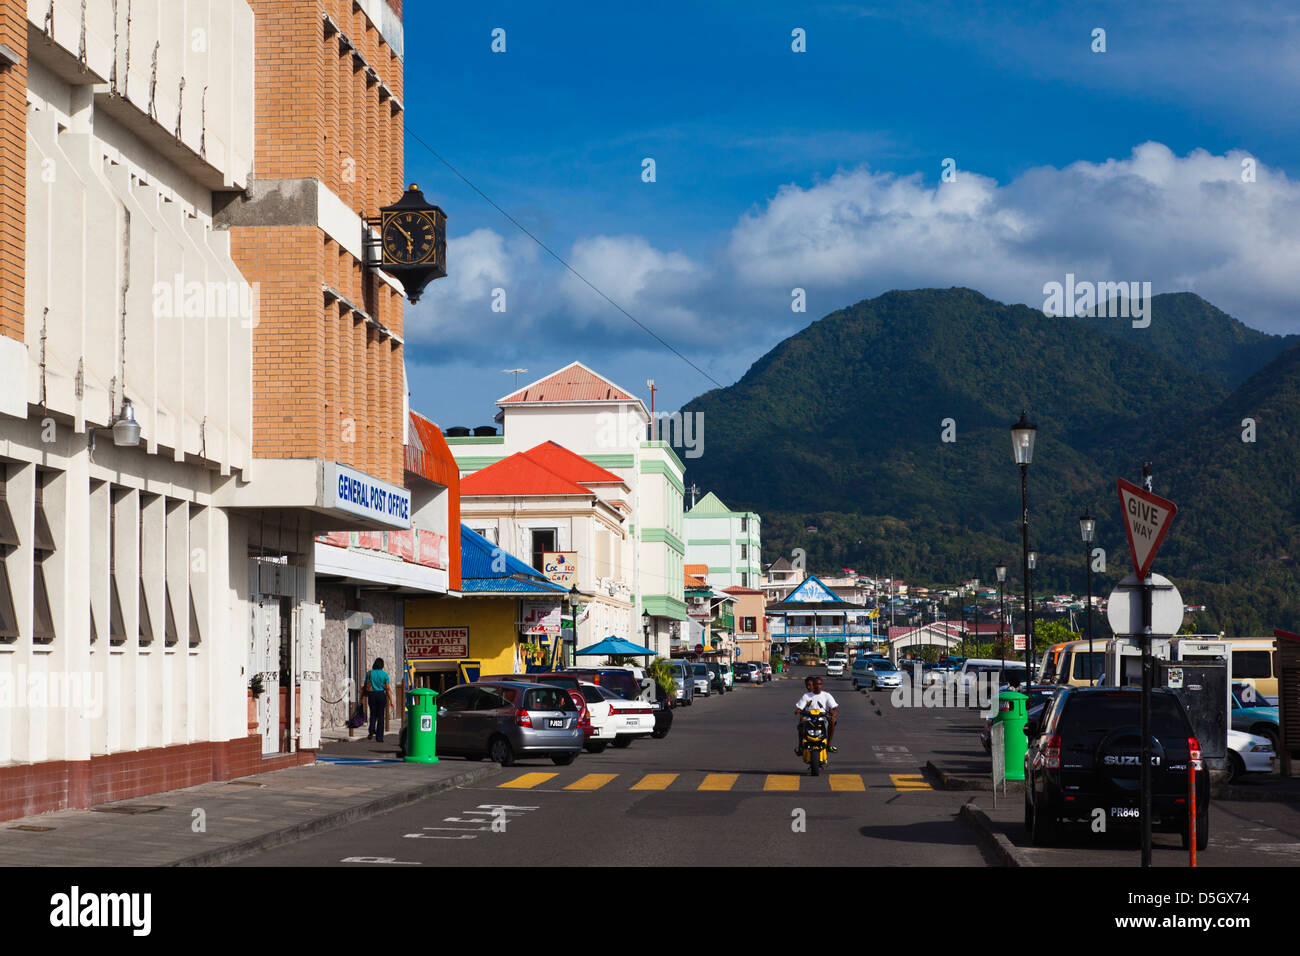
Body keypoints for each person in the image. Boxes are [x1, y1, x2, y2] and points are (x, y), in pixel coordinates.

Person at [794, 675, 839, 755]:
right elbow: (800, 708)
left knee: (832, 722)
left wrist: (833, 716)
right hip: (809, 719)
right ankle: (801, 746)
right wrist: (798, 711)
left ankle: (829, 745)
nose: (818, 686)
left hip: (822, 719)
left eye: (820, 684)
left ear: (821, 685)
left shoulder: (827, 695)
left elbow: (835, 708)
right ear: (813, 685)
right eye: (816, 684)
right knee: (801, 722)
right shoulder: (806, 696)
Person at [366, 658, 392, 743]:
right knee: (381, 716)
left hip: (372, 695)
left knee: (373, 713)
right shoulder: (385, 675)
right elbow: (387, 688)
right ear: (382, 665)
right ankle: (379, 737)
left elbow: (365, 685)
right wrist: (391, 701)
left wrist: (360, 699)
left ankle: (371, 730)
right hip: (381, 695)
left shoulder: (369, 673)